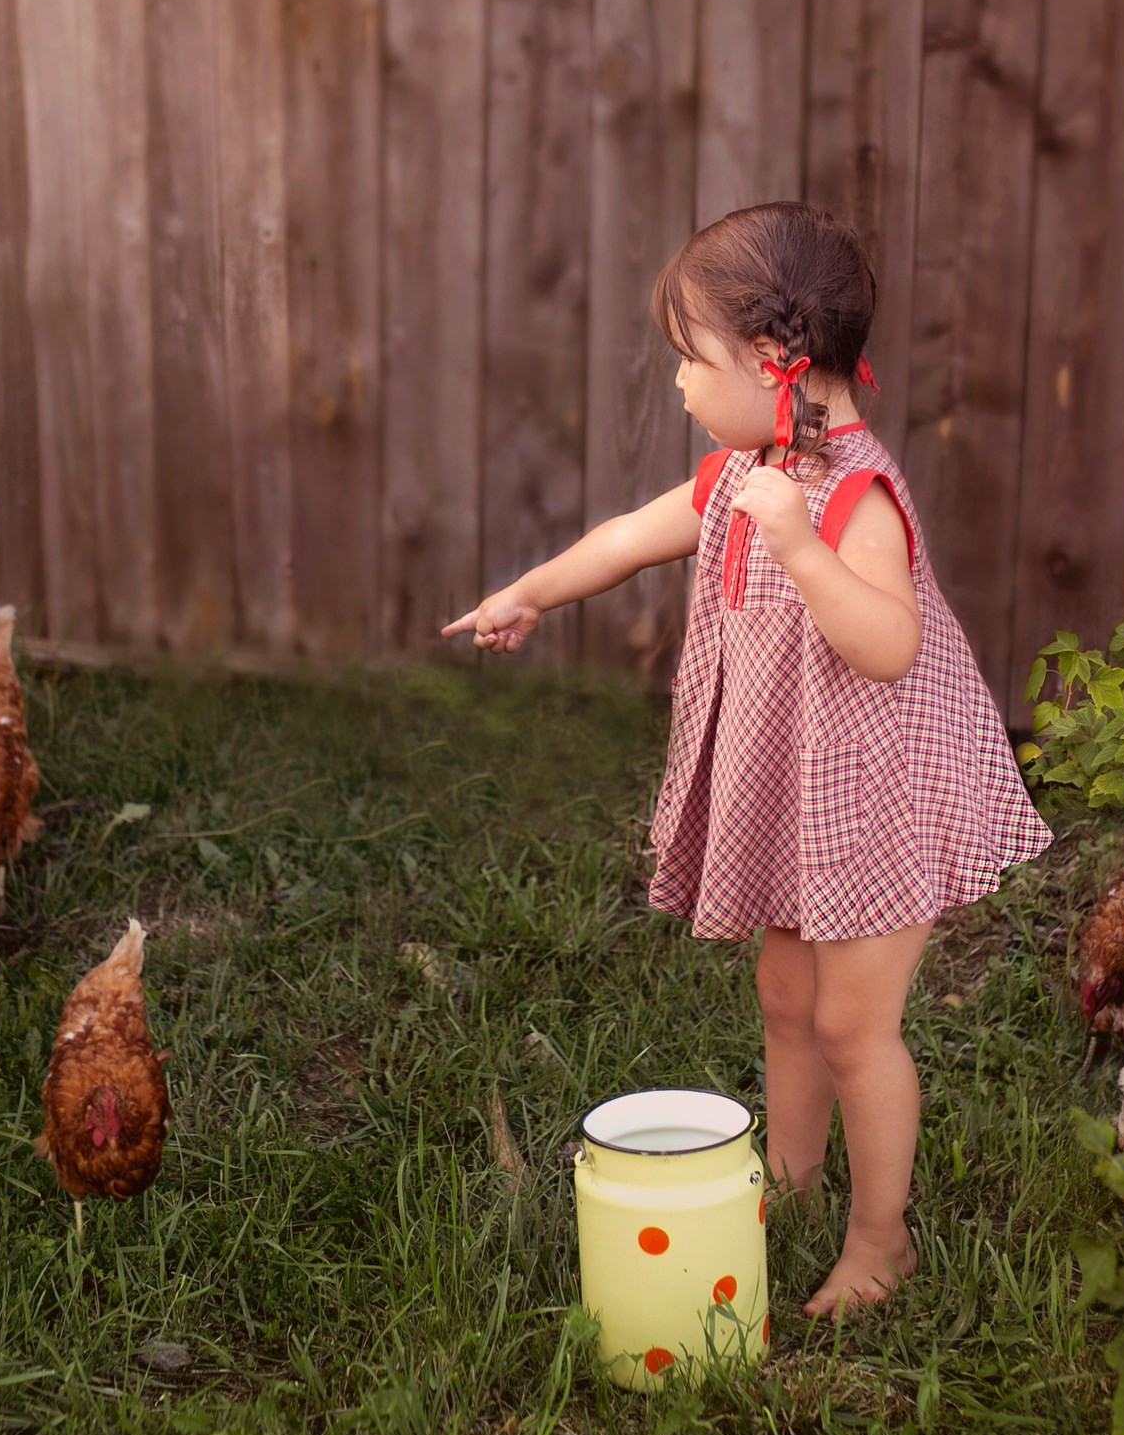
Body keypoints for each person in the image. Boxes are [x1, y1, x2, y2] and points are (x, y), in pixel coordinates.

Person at [443, 202, 1050, 1315]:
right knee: (783, 994)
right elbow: (631, 534)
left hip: (877, 795)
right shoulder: (741, 469)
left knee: (850, 1024)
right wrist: (526, 592)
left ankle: (881, 1243)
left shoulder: (850, 492)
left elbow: (886, 642)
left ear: (775, 363)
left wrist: (795, 542)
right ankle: (793, 1179)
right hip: (798, 787)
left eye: (687, 359)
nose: (677, 384)